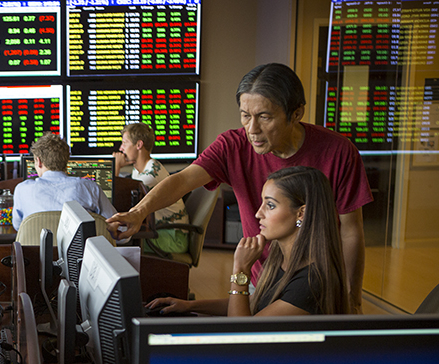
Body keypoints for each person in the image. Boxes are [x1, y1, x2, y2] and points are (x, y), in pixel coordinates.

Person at [106, 63, 372, 311]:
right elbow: (183, 180)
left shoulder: (338, 152)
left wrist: (352, 299)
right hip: (265, 278)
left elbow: (350, 232)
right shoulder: (233, 145)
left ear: (296, 113)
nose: (252, 129)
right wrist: (138, 212)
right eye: (245, 116)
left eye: (264, 117)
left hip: (312, 284)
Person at [147, 166, 350, 316]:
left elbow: (243, 334)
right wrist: (190, 305)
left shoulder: (311, 282)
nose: (257, 213)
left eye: (270, 205)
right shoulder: (283, 258)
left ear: (301, 214)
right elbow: (254, 303)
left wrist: (241, 270)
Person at [13, 133, 118, 230]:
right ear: (67, 160)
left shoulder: (22, 190)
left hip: (37, 250)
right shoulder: (90, 188)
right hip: (79, 250)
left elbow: (19, 227)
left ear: (39, 161)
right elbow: (118, 227)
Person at [112, 123, 190, 253]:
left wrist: (116, 167)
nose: (121, 148)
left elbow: (115, 198)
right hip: (159, 230)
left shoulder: (150, 176)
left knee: (118, 242)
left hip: (173, 237)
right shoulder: (139, 170)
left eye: (125, 143)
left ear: (139, 145)